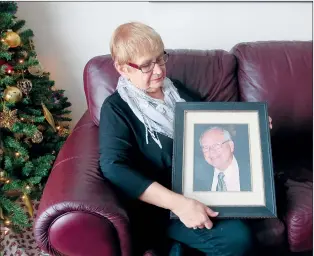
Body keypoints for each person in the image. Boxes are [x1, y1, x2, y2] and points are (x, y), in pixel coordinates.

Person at [99, 21, 271, 256]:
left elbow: (213, 125)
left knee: (260, 208)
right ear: (122, 68)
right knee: (237, 238)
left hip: (205, 189)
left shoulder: (176, 90)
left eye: (160, 58)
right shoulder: (116, 108)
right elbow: (113, 167)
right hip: (163, 206)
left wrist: (255, 127)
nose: (159, 70)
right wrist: (178, 204)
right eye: (146, 65)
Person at [198, 126, 249, 192]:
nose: (211, 151)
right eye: (205, 147)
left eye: (216, 145)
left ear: (231, 146)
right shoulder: (198, 176)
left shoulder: (252, 172)